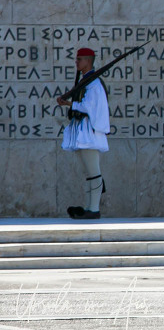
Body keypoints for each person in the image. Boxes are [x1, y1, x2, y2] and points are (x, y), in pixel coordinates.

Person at [56, 48, 110, 220]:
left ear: (88, 61)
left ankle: (94, 209)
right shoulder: (86, 81)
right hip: (82, 131)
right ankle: (89, 207)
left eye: (79, 59)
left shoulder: (94, 84)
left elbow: (89, 106)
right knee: (90, 173)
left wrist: (69, 104)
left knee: (94, 172)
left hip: (89, 132)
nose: (76, 62)